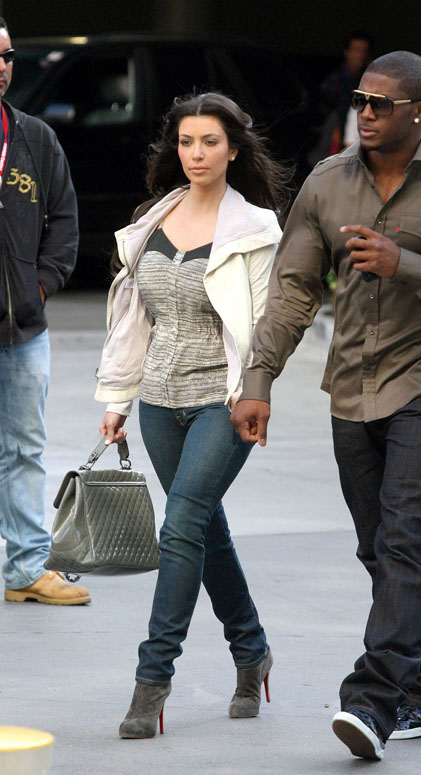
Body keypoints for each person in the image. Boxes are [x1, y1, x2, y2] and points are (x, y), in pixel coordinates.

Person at [231, 51, 421, 761]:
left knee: (403, 538)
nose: (364, 111)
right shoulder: (328, 183)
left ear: (418, 111)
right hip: (353, 386)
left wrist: (405, 264)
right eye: (359, 99)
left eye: (380, 103)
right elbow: (295, 290)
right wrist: (259, 379)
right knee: (379, 545)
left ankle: (375, 698)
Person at [94, 92, 287, 739]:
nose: (196, 153)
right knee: (206, 530)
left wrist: (255, 395)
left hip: (222, 402)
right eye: (185, 142)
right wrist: (118, 399)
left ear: (234, 147)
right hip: (158, 402)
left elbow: (265, 328)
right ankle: (252, 649)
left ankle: (152, 682)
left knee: (180, 528)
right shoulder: (154, 217)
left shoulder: (256, 229)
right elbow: (132, 317)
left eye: (209, 141)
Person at [0, 17, 90, 606]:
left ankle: (26, 568)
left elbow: (64, 221)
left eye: (7, 56)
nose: (3, 66)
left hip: (21, 331)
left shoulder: (34, 138)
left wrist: (39, 287)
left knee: (23, 449)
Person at [312, 32, 374, 161]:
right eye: (357, 50)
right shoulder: (335, 81)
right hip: (334, 133)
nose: (361, 55)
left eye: (365, 51)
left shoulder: (368, 81)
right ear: (347, 52)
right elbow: (322, 107)